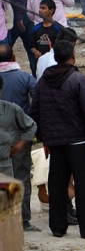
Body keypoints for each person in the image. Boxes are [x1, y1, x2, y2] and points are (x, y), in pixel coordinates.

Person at [29, 40, 85, 239]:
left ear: (55, 57)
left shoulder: (43, 81)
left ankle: (58, 227)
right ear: (73, 56)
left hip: (55, 142)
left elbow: (35, 111)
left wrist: (44, 138)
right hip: (79, 141)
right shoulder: (79, 80)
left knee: (57, 185)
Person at [0, 43, 38, 231]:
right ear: (13, 58)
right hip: (19, 140)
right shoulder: (24, 78)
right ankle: (22, 219)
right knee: (21, 178)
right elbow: (39, 98)